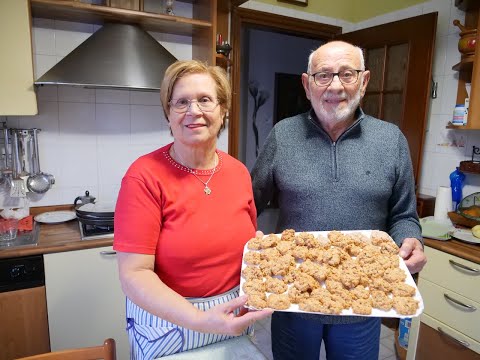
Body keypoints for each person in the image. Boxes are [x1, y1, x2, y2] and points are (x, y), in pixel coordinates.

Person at [251, 41, 427, 360]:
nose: (335, 86)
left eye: (347, 74)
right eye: (323, 76)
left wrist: (411, 239)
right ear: (307, 85)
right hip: (294, 301)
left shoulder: (391, 140)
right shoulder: (282, 135)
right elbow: (249, 203)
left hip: (362, 304)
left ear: (364, 81)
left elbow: (404, 214)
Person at [114, 60, 272, 359]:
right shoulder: (144, 176)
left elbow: (247, 241)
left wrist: (264, 253)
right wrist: (200, 319)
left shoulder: (238, 172)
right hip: (168, 324)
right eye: (181, 102)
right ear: (168, 114)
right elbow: (134, 274)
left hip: (231, 316)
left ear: (223, 110)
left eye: (204, 100)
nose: (194, 111)